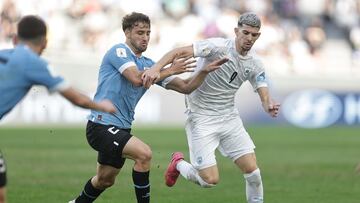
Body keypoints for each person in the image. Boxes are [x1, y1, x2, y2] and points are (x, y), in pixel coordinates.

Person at [69, 12, 227, 203]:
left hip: (121, 127)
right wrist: (169, 69)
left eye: (148, 33)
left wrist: (203, 71)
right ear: (127, 32)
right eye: (140, 32)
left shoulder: (149, 65)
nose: (145, 37)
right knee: (144, 154)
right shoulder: (118, 51)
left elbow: (185, 87)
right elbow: (137, 79)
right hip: (101, 126)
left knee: (104, 180)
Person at [144, 12, 280, 203]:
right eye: (246, 33)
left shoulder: (255, 63)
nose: (249, 38)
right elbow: (177, 52)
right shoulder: (216, 47)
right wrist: (155, 69)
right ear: (236, 31)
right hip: (201, 118)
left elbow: (262, 89)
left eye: (254, 35)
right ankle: (179, 164)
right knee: (209, 180)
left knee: (253, 173)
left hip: (229, 118)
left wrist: (268, 105)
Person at [0, 15, 117, 203]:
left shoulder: (4, 53)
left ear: (15, 39)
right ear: (45, 43)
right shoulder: (34, 63)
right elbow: (76, 98)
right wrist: (101, 105)